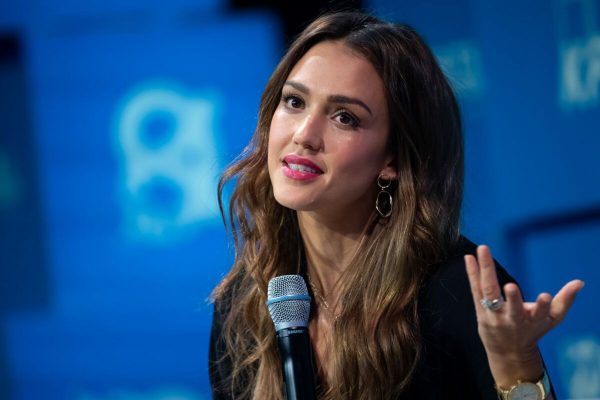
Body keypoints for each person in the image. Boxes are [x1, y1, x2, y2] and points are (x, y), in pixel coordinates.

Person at [209, 11, 584, 400]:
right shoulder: (246, 305)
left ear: (394, 161)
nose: (304, 135)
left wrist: (515, 365)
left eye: (344, 117)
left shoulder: (455, 291)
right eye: (294, 101)